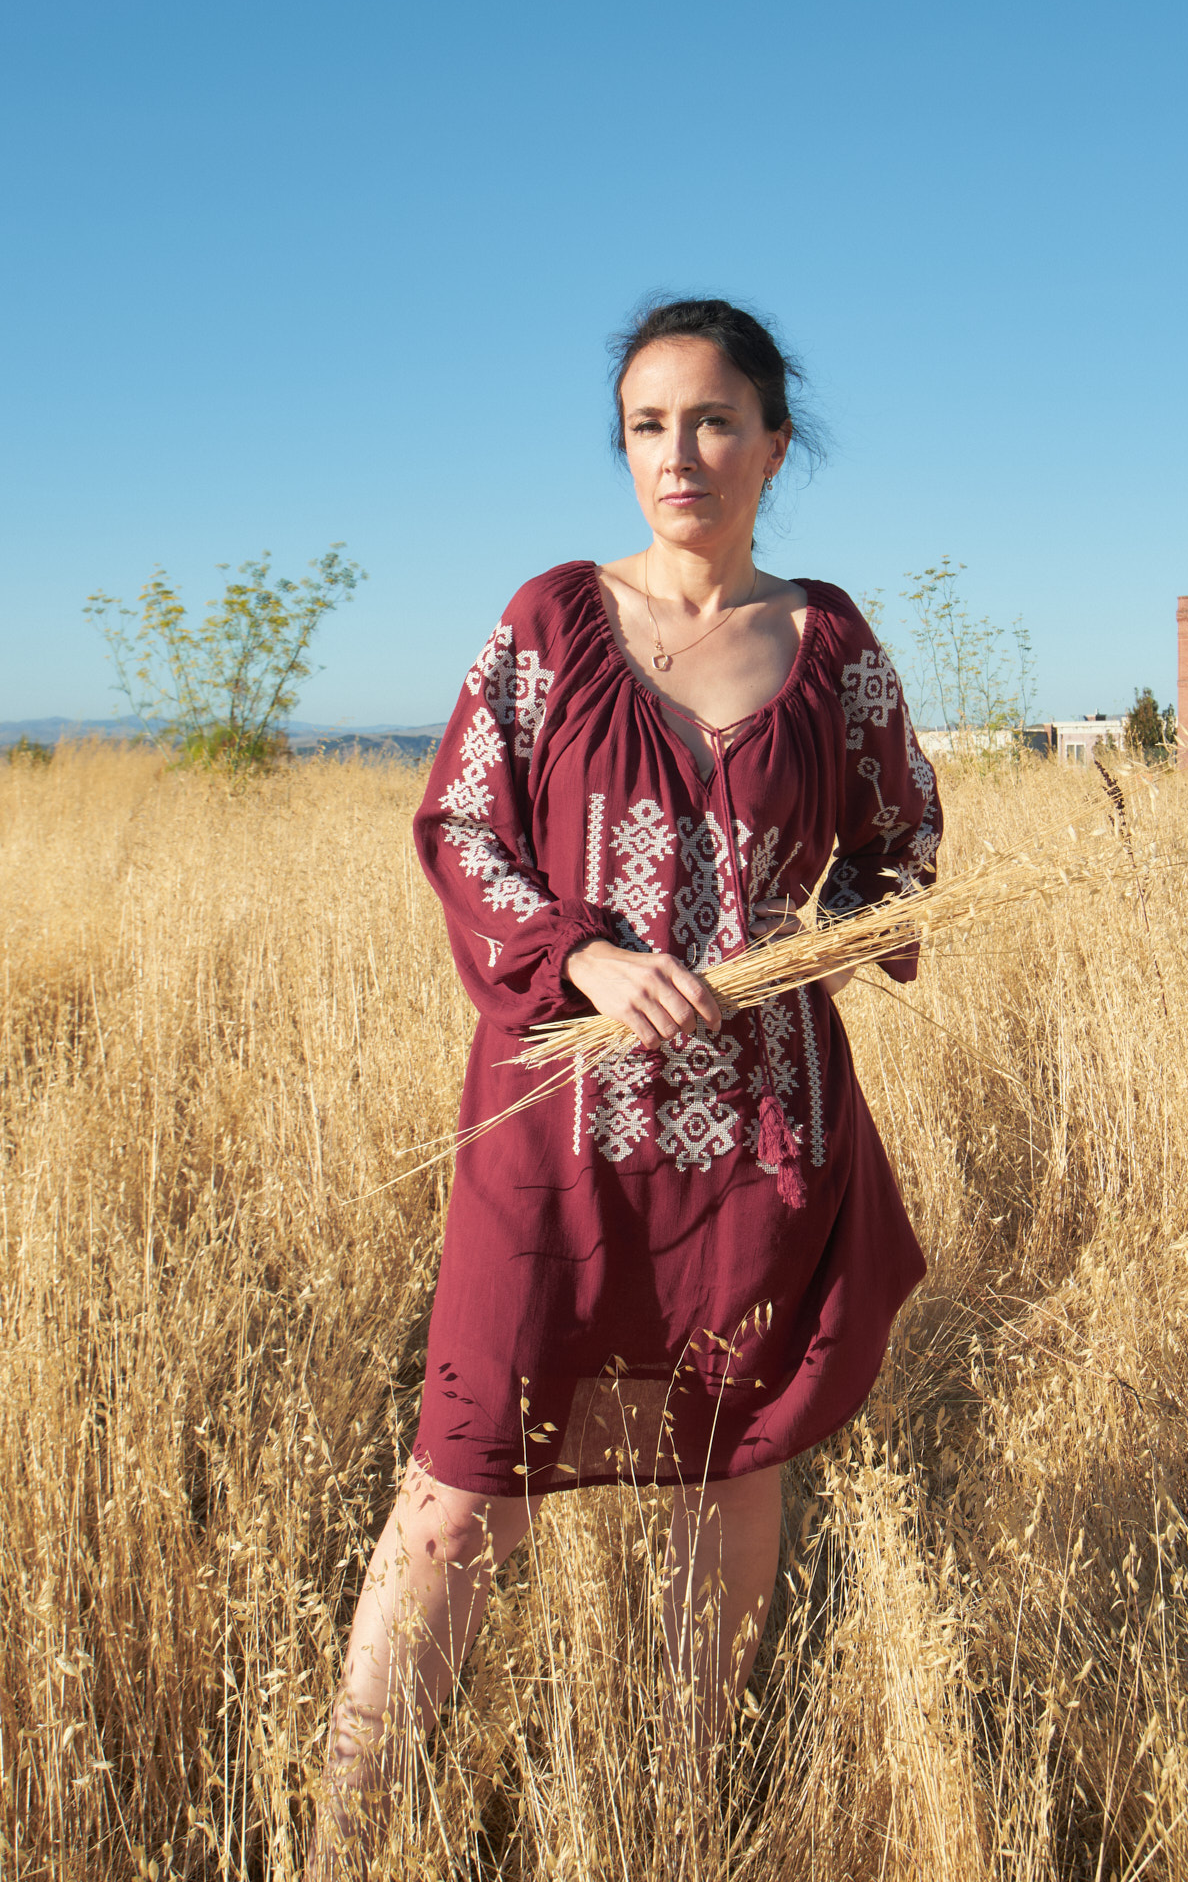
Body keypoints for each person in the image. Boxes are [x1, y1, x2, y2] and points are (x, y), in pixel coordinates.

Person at [308, 297, 943, 1872]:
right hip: (561, 1138)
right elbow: (463, 826)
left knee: (729, 1478)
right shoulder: (548, 621)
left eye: (715, 420)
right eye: (650, 424)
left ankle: (669, 1821)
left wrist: (819, 945)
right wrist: (584, 957)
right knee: (457, 1490)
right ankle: (338, 1837)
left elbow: (904, 851)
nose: (681, 453)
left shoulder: (835, 644)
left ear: (776, 445)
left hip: (765, 1138)